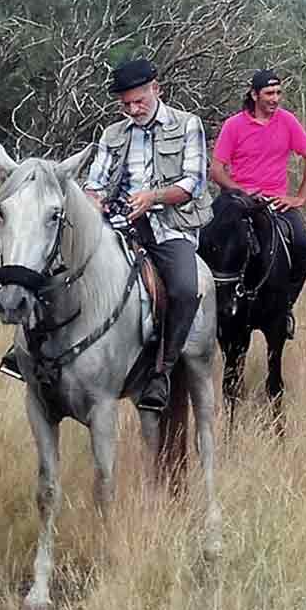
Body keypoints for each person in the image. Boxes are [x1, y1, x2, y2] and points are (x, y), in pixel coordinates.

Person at [83, 57, 211, 414]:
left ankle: (162, 371)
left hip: (169, 226)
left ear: (156, 89)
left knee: (186, 288)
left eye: (138, 100)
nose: (132, 109)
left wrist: (152, 197)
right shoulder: (113, 134)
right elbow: (95, 183)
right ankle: (36, 352)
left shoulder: (187, 125)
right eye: (125, 103)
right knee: (61, 263)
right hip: (118, 223)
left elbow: (193, 182)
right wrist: (92, 203)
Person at [209, 69, 306, 338]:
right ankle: (209, 310)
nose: (275, 99)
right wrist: (242, 192)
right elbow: (217, 170)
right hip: (238, 199)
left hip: (275, 201)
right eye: (269, 93)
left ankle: (285, 308)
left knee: (304, 246)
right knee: (207, 241)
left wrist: (300, 197)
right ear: (254, 94)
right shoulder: (234, 125)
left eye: (278, 93)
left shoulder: (287, 121)